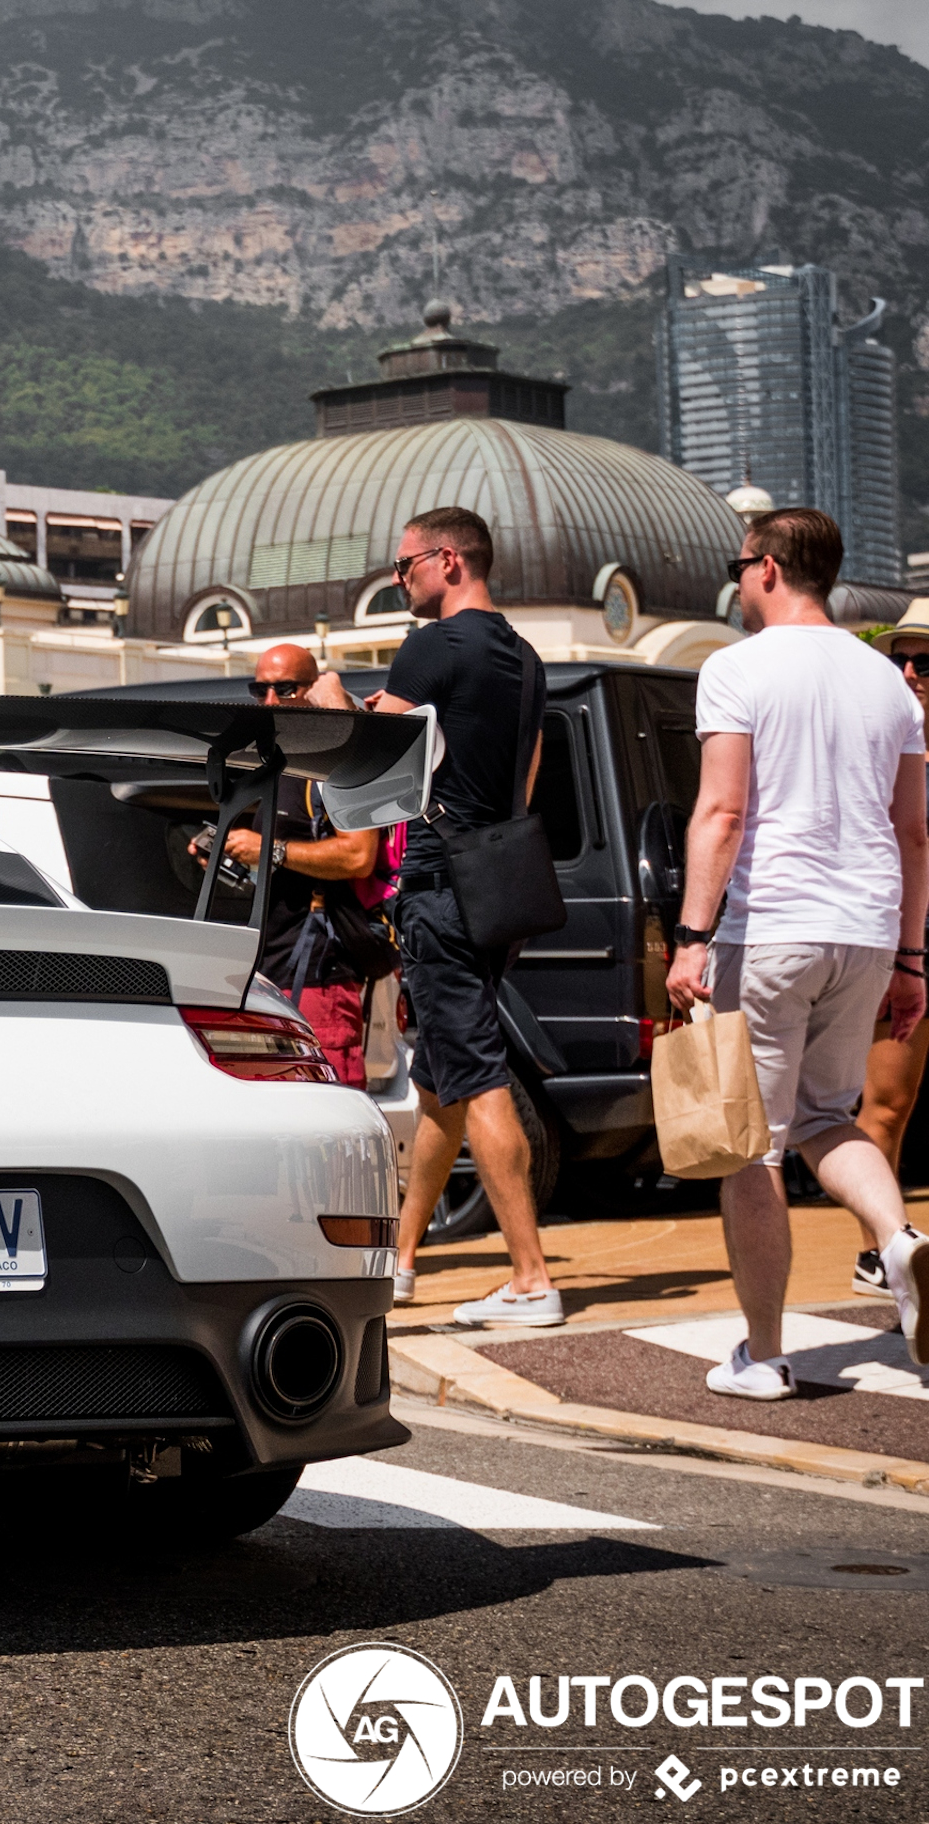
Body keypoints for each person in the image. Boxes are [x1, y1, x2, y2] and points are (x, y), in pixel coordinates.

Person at [667, 508, 927, 1397]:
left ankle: (765, 1353)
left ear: (770, 568)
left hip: (772, 927)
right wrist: (912, 958)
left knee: (754, 1145)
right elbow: (915, 832)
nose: (737, 583)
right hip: (865, 930)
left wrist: (693, 936)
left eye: (740, 567)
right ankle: (900, 1245)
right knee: (826, 1115)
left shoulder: (736, 668)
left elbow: (723, 813)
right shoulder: (890, 683)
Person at [370, 507, 560, 1324]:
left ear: (447, 560)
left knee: (476, 1076)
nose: (400, 580)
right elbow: (527, 772)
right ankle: (402, 1261)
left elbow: (371, 758)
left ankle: (530, 1279)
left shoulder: (433, 646)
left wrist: (347, 704)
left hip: (440, 883)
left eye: (405, 565)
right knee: (444, 1080)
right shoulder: (525, 656)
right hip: (497, 882)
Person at [199, 643, 390, 1087]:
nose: (270, 702)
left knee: (334, 1117)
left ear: (313, 689)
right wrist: (227, 850)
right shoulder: (277, 768)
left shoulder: (333, 768)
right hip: (272, 977)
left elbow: (359, 855)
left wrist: (271, 849)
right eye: (260, 689)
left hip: (322, 977)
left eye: (285, 689)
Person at [851, 600, 929, 1303]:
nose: (910, 671)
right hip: (908, 945)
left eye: (925, 659)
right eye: (901, 657)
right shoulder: (886, 744)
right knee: (885, 1104)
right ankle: (881, 1249)